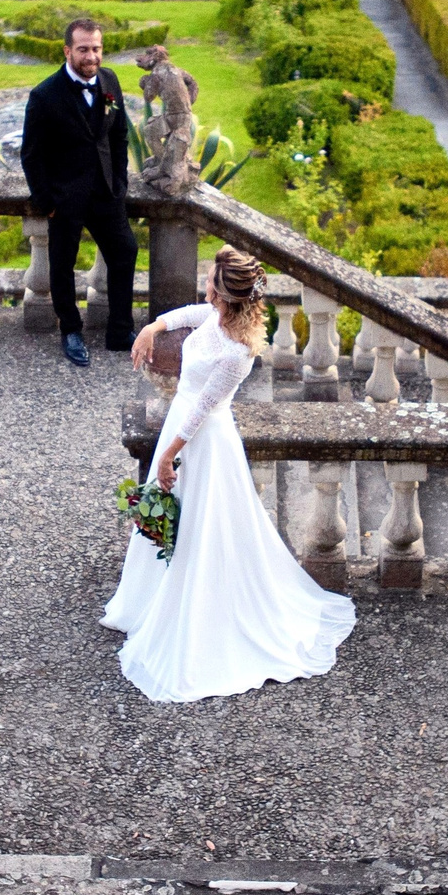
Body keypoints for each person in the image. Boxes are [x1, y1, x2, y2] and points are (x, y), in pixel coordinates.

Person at [104, 248, 357, 703]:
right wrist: (152, 326)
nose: (205, 287)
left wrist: (169, 457)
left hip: (200, 441)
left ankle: (197, 611)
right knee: (166, 516)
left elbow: (203, 409)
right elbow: (187, 314)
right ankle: (149, 599)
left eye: (211, 283)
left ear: (224, 296)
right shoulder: (215, 315)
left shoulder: (238, 351)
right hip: (179, 427)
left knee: (199, 525)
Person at [19, 17, 136, 368]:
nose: (92, 56)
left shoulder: (110, 81)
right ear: (68, 50)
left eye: (97, 49)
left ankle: (119, 330)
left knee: (125, 251)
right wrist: (46, 203)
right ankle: (71, 331)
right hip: (65, 199)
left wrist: (120, 184)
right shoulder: (43, 95)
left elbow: (119, 136)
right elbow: (31, 154)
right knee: (62, 266)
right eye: (84, 49)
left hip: (105, 194)